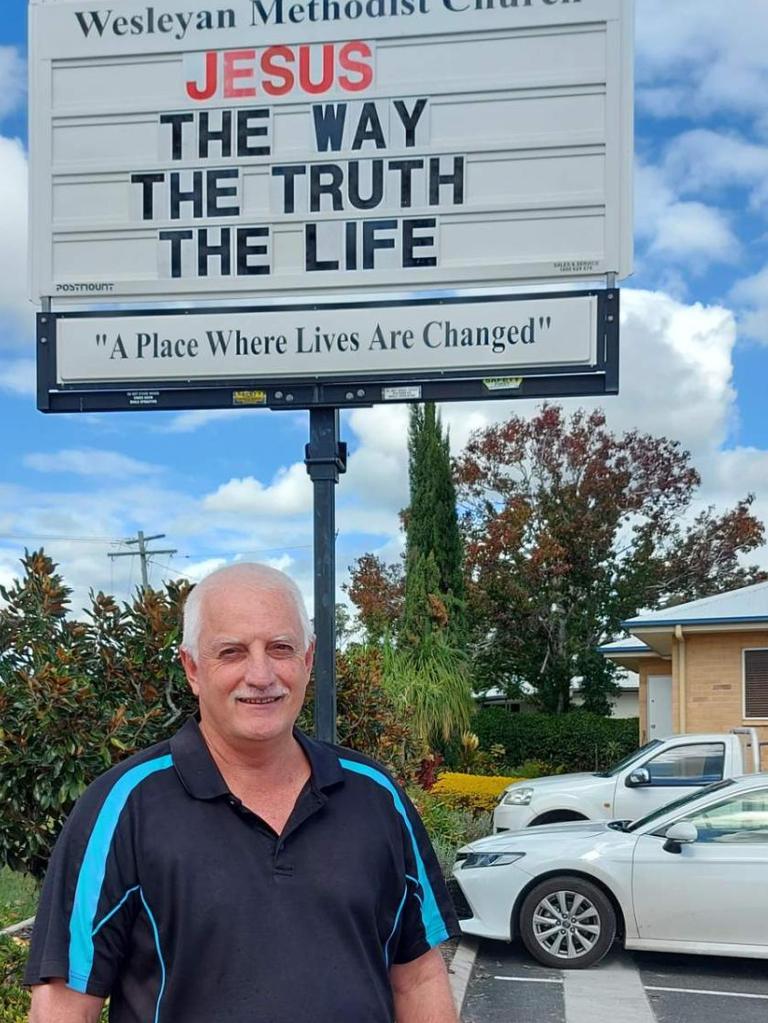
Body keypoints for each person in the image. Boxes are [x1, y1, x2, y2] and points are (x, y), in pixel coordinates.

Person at [26, 562, 460, 1023]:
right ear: (193, 668)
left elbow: (417, 976)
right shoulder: (122, 807)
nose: (261, 674)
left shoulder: (375, 796)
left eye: (280, 648)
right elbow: (64, 1004)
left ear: (308, 660)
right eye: (232, 652)